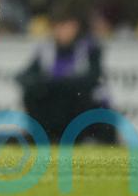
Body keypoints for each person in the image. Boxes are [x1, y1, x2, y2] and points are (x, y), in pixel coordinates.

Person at [16, 12, 116, 144]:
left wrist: (60, 82)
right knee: (33, 94)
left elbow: (93, 78)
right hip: (56, 103)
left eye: (67, 27)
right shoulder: (46, 49)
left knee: (77, 94)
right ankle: (43, 135)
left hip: (81, 104)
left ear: (76, 28)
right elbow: (24, 76)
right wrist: (46, 83)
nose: (63, 31)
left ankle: (82, 137)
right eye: (60, 27)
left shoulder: (89, 48)